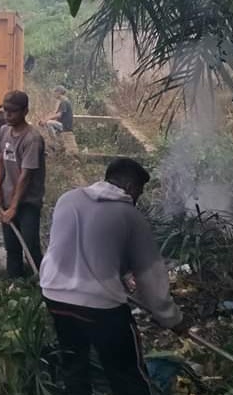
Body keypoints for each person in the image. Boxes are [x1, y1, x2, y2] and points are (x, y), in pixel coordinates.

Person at [40, 158, 188, 395]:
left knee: (74, 366)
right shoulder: (130, 216)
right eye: (139, 191)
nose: (138, 198)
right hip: (100, 306)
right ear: (129, 185)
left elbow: (73, 250)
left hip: (55, 295)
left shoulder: (68, 199)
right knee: (126, 372)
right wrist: (172, 319)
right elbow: (149, 275)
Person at [0, 90, 45, 278]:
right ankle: (15, 286)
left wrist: (14, 207)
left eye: (12, 111)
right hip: (7, 200)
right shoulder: (4, 131)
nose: (8, 115)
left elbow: (25, 176)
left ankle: (41, 285)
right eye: (5, 110)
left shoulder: (32, 139)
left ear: (25, 111)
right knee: (12, 247)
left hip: (27, 202)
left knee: (30, 246)